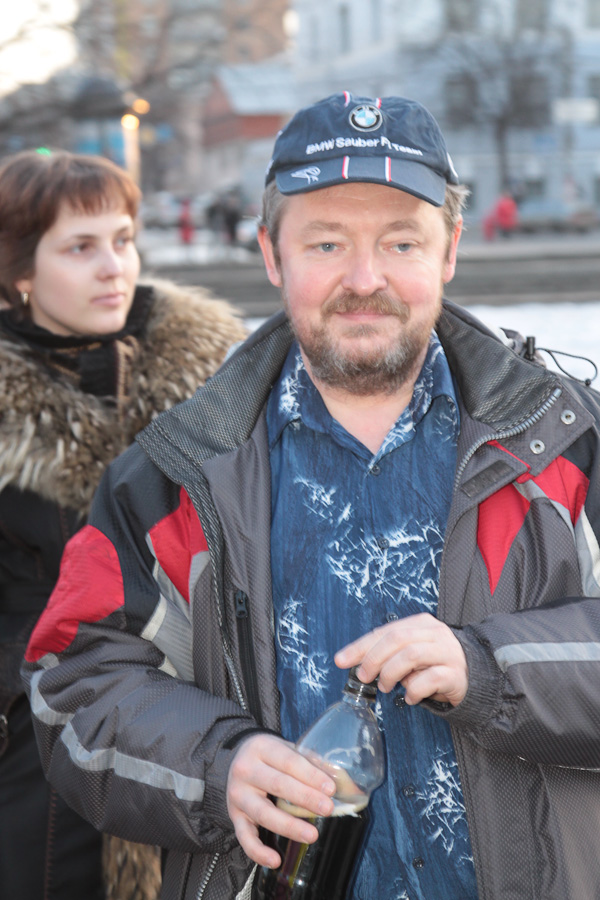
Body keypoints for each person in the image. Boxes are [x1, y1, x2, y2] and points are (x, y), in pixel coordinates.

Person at [21, 94, 600, 900]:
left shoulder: (569, 444)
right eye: (326, 243)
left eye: (401, 242)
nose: (365, 280)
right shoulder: (170, 476)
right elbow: (73, 685)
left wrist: (490, 669)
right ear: (271, 254)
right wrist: (217, 765)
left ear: (450, 250)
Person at [0, 148, 245, 900]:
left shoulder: (219, 388)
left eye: (124, 239)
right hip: (38, 759)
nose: (115, 267)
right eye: (80, 247)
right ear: (20, 272)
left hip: (201, 745)